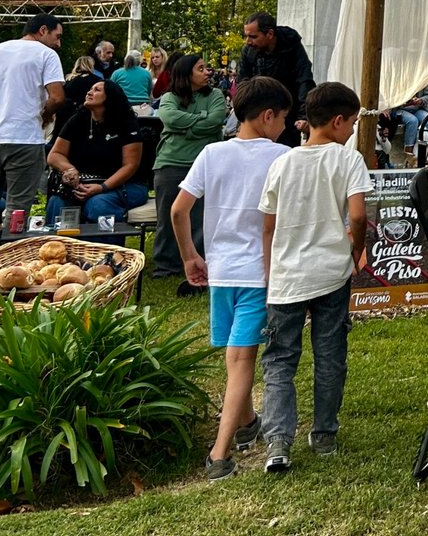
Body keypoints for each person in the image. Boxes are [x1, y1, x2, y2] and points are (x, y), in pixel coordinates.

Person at [174, 76, 293, 482]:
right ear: (267, 116)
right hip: (260, 273)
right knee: (242, 360)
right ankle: (220, 453)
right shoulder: (282, 157)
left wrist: (190, 255)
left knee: (234, 356)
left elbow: (178, 210)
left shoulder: (211, 153)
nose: (286, 127)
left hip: (220, 271)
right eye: (283, 119)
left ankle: (246, 423)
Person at [258, 82, 371, 472]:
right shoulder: (347, 160)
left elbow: (268, 226)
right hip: (331, 273)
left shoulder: (282, 162)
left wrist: (271, 272)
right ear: (338, 121)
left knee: (279, 360)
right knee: (330, 356)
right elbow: (357, 215)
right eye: (353, 123)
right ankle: (324, 432)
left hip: (287, 276)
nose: (354, 131)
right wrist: (356, 248)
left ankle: (277, 442)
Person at [0, 13, 65, 259]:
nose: (58, 43)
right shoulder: (46, 55)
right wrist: (45, 113)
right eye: (57, 36)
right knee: (17, 208)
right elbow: (58, 97)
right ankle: (8, 263)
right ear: (43, 30)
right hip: (24, 137)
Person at [152, 54, 229, 288]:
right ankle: (166, 266)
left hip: (205, 162)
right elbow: (169, 118)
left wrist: (185, 128)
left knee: (201, 217)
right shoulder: (169, 97)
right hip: (171, 162)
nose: (207, 72)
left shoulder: (215, 95)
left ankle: (201, 262)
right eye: (200, 68)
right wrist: (199, 123)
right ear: (186, 74)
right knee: (167, 216)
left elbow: (216, 121)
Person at [45, 79, 147, 236]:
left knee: (98, 204)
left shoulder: (126, 123)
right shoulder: (78, 120)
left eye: (97, 90)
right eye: (91, 89)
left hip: (125, 185)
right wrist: (70, 169)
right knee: (57, 202)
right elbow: (55, 155)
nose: (89, 92)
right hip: (83, 183)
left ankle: (107, 257)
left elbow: (130, 165)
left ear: (110, 97)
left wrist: (102, 187)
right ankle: (59, 254)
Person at [237, 13, 314, 148]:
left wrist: (303, 116)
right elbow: (242, 84)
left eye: (253, 36)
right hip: (257, 116)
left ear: (270, 34)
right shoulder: (248, 52)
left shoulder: (292, 47)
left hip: (287, 117)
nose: (248, 41)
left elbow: (304, 80)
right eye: (246, 36)